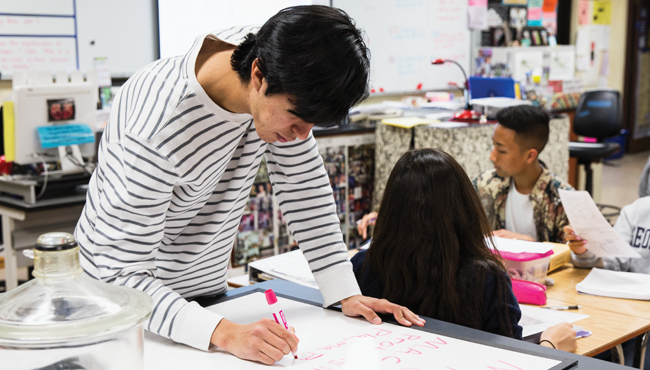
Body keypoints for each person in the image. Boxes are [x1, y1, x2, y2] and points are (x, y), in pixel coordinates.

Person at [74, 6, 423, 366]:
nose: (302, 136)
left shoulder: (275, 55)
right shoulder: (154, 128)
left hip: (207, 301)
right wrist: (223, 332)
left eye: (312, 125)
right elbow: (119, 276)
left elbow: (302, 186)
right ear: (258, 75)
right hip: (121, 314)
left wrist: (344, 292)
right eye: (297, 119)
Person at [352, 149, 577, 352]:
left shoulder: (361, 266)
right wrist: (550, 346)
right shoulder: (485, 278)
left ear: (391, 207)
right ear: (464, 207)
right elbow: (511, 361)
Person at [473, 105, 574, 243]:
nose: (492, 156)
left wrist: (530, 245)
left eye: (501, 151)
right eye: (493, 146)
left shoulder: (561, 199)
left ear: (530, 156)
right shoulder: (484, 184)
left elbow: (574, 255)